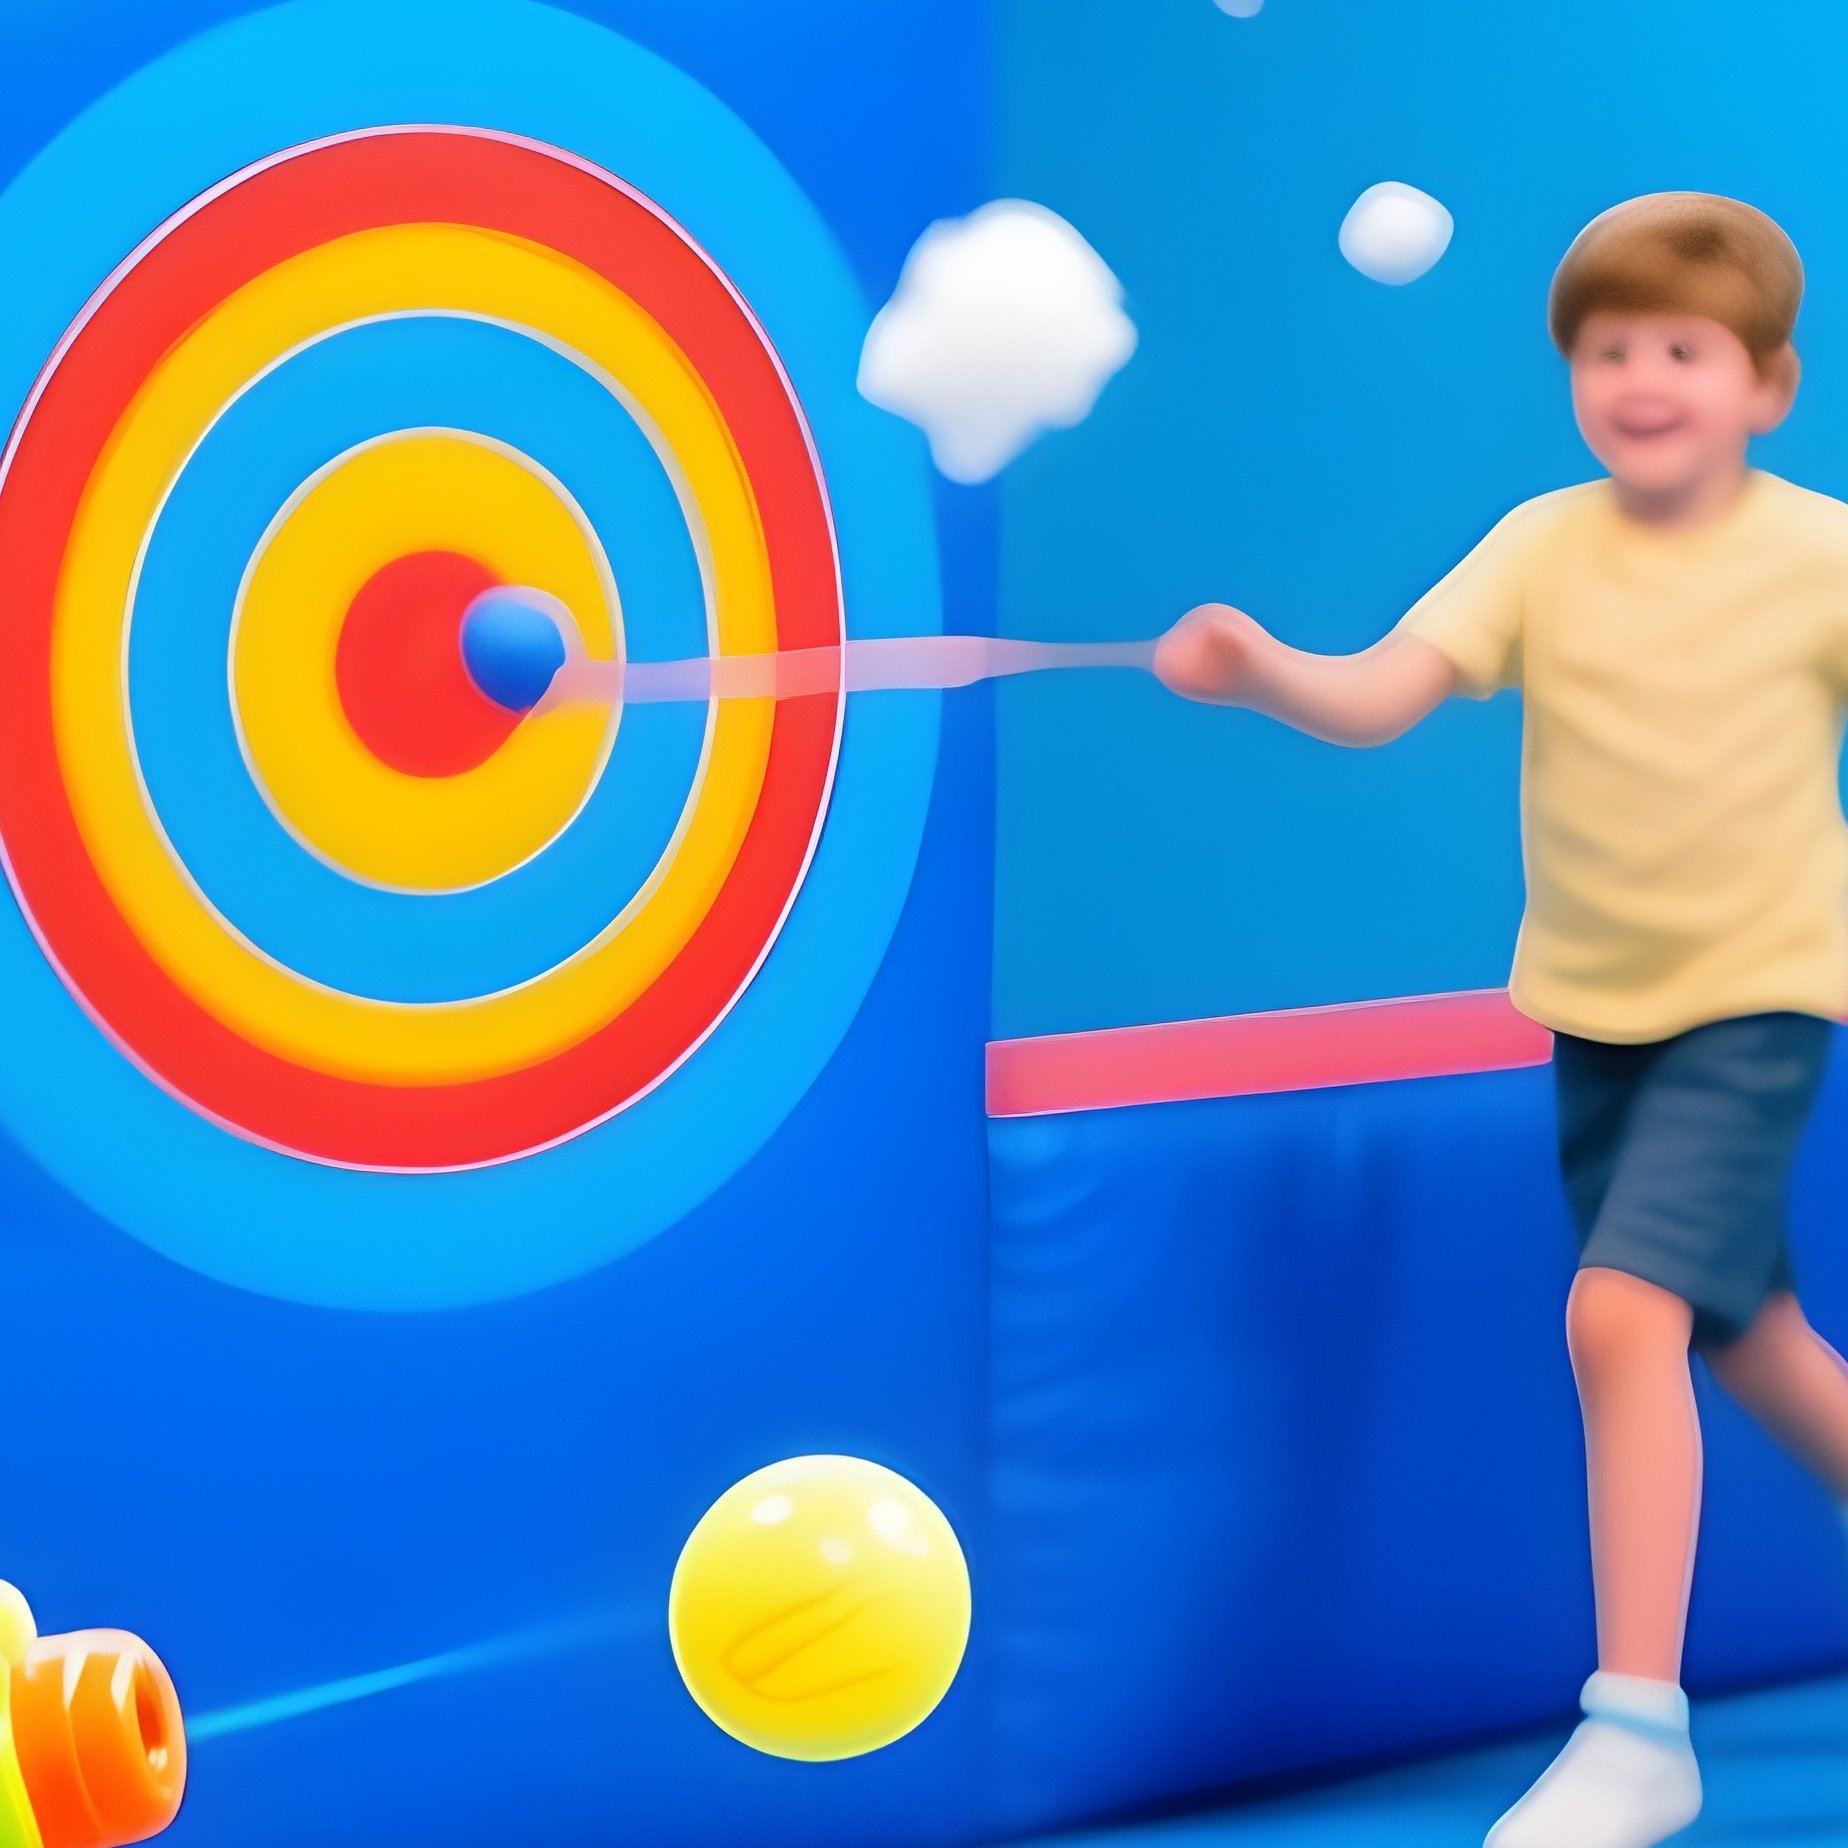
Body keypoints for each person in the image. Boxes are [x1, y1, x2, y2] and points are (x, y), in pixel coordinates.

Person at [1154, 192, 1848, 1848]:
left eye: (1681, 350)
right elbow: (1387, 693)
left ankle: (1637, 1732)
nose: (1640, 380)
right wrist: (1262, 670)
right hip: (1598, 1016)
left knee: (1620, 1320)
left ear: (1766, 383)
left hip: (1758, 1001)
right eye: (1608, 353)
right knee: (1748, 1342)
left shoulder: (1821, 553)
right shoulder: (1544, 543)